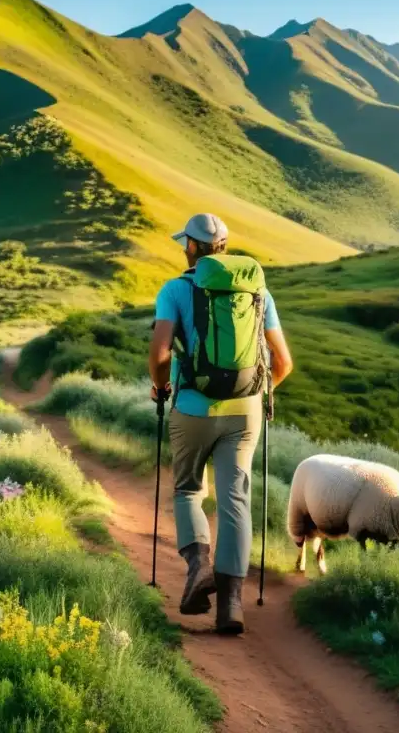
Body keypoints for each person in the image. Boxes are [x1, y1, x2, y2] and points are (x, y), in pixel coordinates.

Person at [148, 212, 293, 634]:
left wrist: (162, 388)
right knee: (236, 499)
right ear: (224, 248)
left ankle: (198, 568)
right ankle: (231, 604)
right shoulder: (258, 292)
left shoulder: (175, 290)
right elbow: (282, 362)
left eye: (185, 244)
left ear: (191, 247)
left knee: (189, 489)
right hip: (245, 411)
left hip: (192, 406)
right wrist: (264, 392)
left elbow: (159, 355)